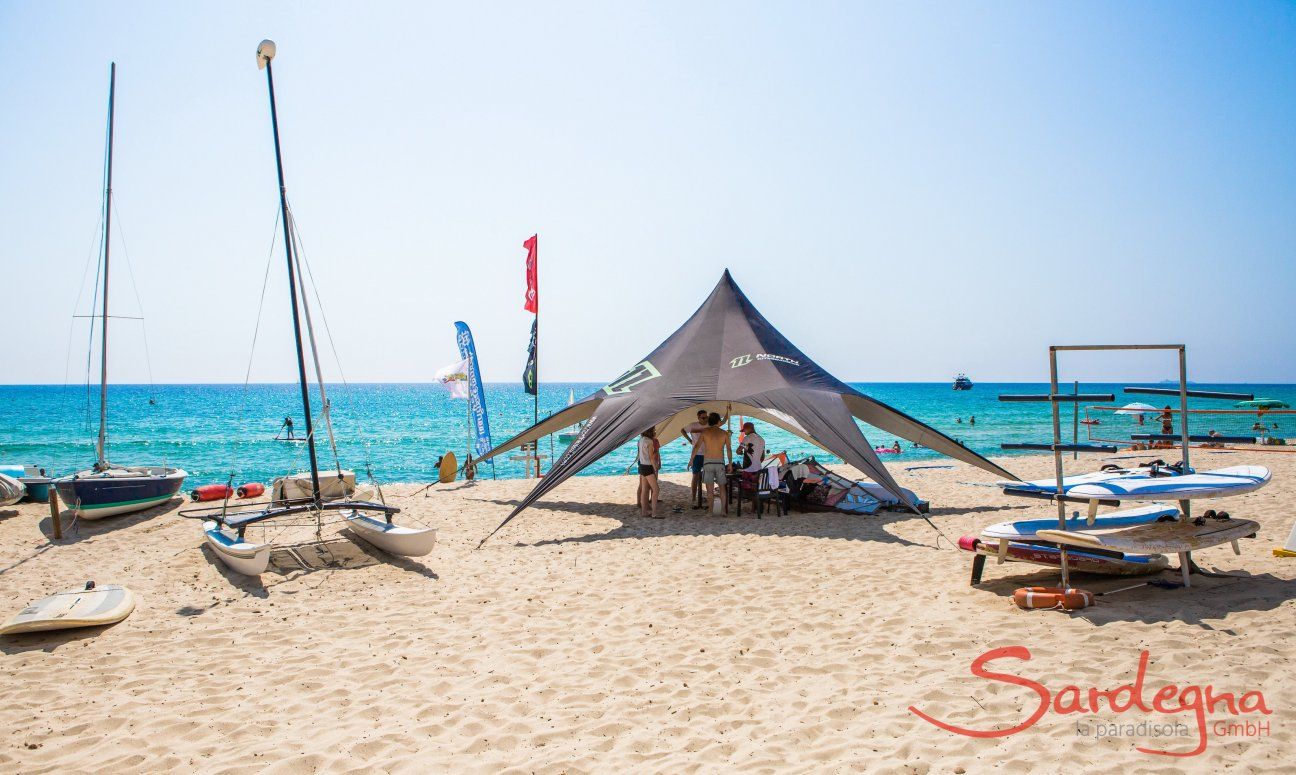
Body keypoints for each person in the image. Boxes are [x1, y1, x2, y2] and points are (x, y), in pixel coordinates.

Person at [698, 412, 732, 514]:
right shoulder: (724, 433)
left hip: (708, 462)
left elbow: (696, 446)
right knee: (722, 488)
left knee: (709, 489)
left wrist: (691, 460)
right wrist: (730, 463)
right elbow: (729, 450)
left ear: (708, 421)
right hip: (720, 462)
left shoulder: (705, 432)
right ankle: (723, 511)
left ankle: (710, 511)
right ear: (718, 421)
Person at [681, 409, 710, 509]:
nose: (705, 419)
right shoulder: (693, 425)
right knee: (695, 476)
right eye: (703, 417)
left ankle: (708, 496)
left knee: (708, 476)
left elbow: (720, 424)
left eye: (707, 417)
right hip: (697, 454)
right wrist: (689, 440)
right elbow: (682, 430)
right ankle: (693, 497)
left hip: (708, 454)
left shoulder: (709, 425)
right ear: (698, 418)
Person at [636, 428, 661, 518]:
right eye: (653, 430)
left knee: (645, 489)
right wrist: (655, 468)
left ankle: (644, 512)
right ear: (650, 431)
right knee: (656, 489)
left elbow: (640, 455)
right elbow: (651, 457)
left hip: (642, 466)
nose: (655, 431)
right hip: (648, 467)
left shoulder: (640, 440)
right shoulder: (649, 441)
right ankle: (654, 513)